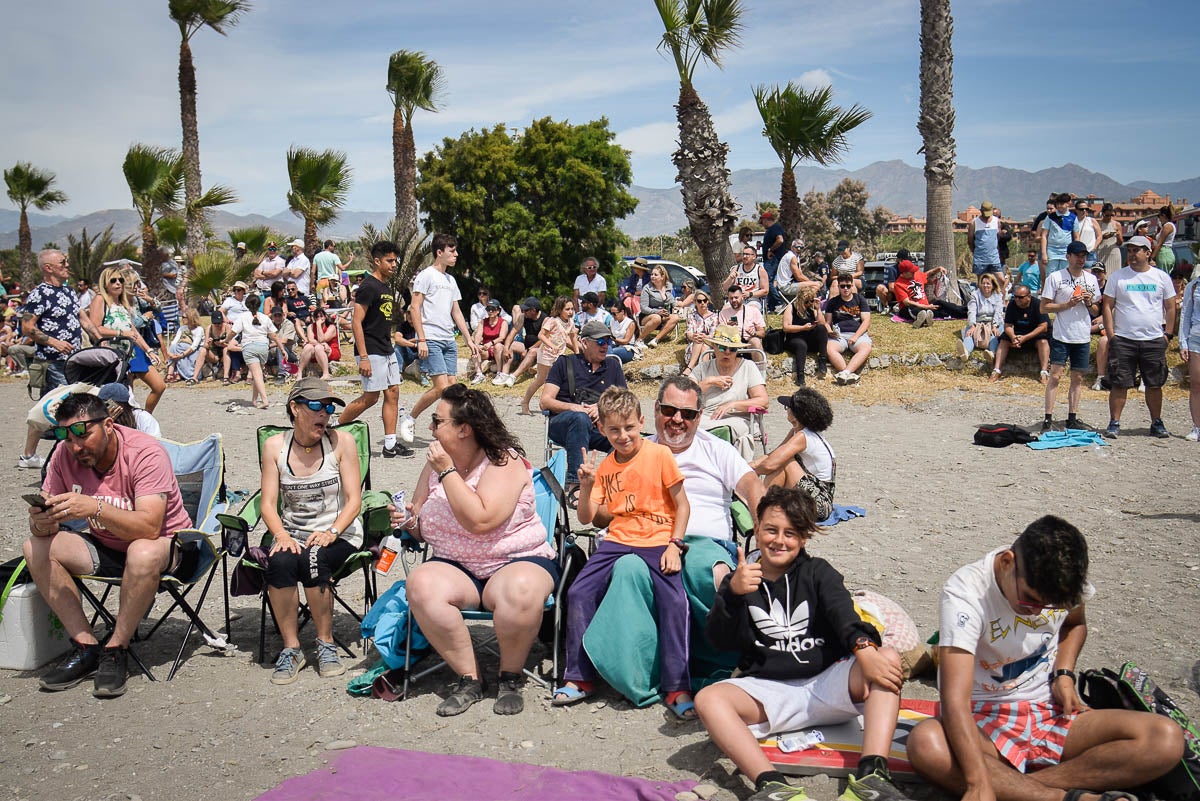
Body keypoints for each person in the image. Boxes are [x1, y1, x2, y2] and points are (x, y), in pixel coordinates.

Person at [907, 516, 1184, 801]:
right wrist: (978, 782)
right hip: (984, 718)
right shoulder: (966, 594)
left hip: (1050, 711)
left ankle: (1019, 789)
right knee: (927, 742)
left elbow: (1075, 624)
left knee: (1165, 737)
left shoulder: (1061, 583)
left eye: (1051, 606)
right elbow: (955, 703)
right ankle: (1065, 798)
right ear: (1006, 562)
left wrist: (1063, 674)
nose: (1039, 613)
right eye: (1030, 601)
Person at [695, 486, 913, 801]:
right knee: (708, 699)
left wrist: (864, 648)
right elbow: (718, 640)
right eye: (771, 530)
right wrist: (732, 595)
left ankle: (872, 777)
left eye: (791, 533)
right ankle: (772, 785)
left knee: (887, 657)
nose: (779, 540)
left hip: (827, 683)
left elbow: (843, 613)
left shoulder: (817, 572)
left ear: (803, 539)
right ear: (757, 530)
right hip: (769, 691)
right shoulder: (741, 579)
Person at [398, 383, 558, 716]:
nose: (431, 428)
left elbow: (481, 521)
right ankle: (469, 678)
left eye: (437, 421)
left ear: (464, 429)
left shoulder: (503, 461)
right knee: (421, 585)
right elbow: (420, 516)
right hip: (457, 566)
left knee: (520, 589)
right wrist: (408, 520)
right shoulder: (435, 463)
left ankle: (510, 676)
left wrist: (447, 472)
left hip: (514, 560)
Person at [23, 392, 192, 698]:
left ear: (109, 425)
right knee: (35, 546)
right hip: (107, 546)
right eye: (67, 437)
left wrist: (94, 508)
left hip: (166, 548)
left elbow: (150, 527)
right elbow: (43, 525)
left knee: (141, 551)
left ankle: (116, 648)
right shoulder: (64, 454)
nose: (76, 447)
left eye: (83, 436)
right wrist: (41, 520)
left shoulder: (145, 453)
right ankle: (86, 645)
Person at [556, 387, 693, 717]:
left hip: (660, 538)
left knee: (675, 602)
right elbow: (587, 518)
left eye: (629, 427)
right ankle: (579, 677)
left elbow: (683, 505)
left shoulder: (659, 455)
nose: (623, 436)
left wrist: (675, 545)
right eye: (614, 430)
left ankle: (677, 686)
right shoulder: (604, 468)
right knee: (578, 592)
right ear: (601, 429)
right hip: (617, 540)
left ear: (641, 422)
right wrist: (587, 485)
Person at [259, 379, 362, 684]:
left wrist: (333, 530)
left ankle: (326, 643)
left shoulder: (341, 443)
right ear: (295, 408)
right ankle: (292, 648)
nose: (325, 414)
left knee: (314, 557)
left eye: (329, 408)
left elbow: (354, 500)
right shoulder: (275, 447)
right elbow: (267, 504)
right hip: (293, 532)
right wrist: (281, 535)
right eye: (316, 406)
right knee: (280, 562)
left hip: (339, 532)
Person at [335, 240, 414, 458]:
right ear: (377, 261)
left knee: (393, 393)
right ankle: (333, 425)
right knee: (370, 397)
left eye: (395, 260)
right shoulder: (368, 287)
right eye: (389, 260)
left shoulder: (385, 287)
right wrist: (363, 357)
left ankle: (390, 445)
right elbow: (356, 322)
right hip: (370, 350)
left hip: (386, 348)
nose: (393, 264)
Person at [1101, 234, 1176, 439]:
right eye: (1130, 250)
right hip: (1124, 339)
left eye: (1137, 250)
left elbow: (1170, 307)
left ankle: (1156, 422)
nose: (1132, 254)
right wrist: (1111, 334)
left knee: (1154, 383)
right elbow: (1107, 305)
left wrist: (1167, 334)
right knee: (1119, 383)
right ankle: (1114, 422)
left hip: (1153, 339)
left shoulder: (1161, 277)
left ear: (1148, 252)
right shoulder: (1118, 277)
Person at [404, 233, 477, 436]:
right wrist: (422, 339)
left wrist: (468, 339)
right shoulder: (426, 275)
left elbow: (456, 311)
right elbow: (414, 307)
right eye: (452, 251)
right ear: (439, 252)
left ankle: (448, 428)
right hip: (432, 337)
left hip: (448, 339)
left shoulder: (450, 280)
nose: (456, 254)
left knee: (453, 388)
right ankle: (410, 418)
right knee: (441, 388)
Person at [540, 321, 628, 489]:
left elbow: (625, 401)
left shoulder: (613, 366)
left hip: (599, 427)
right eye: (600, 342)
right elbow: (545, 401)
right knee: (579, 418)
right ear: (584, 342)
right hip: (564, 425)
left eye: (608, 341)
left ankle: (609, 482)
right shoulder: (565, 363)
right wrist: (575, 408)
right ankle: (575, 484)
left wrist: (601, 407)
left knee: (628, 438)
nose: (605, 346)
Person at [1041, 241, 1103, 432]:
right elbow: (1044, 307)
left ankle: (1072, 417)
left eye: (1083, 255)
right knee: (1056, 376)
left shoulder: (1091, 279)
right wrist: (1067, 305)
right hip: (1061, 335)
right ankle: (1048, 418)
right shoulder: (1055, 277)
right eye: (1077, 255)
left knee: (1077, 378)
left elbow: (1095, 309)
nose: (1081, 259)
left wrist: (1088, 301)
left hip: (1082, 335)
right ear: (1068, 256)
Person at [88, 266, 167, 413]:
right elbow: (95, 328)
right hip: (111, 357)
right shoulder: (100, 300)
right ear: (105, 284)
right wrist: (121, 333)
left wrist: (149, 351)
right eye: (113, 280)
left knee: (147, 389)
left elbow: (133, 331)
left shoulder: (123, 303)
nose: (118, 283)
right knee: (121, 397)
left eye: (120, 280)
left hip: (129, 353)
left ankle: (142, 419)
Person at [751, 389, 836, 521]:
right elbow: (774, 455)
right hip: (814, 494)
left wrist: (747, 474)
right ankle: (761, 504)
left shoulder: (803, 436)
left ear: (797, 414)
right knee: (781, 459)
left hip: (819, 504)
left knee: (784, 462)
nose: (786, 410)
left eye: (788, 407)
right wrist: (751, 464)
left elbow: (771, 464)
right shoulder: (797, 432)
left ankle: (760, 505)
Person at [691, 325, 768, 460]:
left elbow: (763, 401)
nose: (727, 352)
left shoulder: (748, 367)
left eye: (732, 349)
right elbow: (685, 395)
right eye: (722, 347)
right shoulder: (703, 368)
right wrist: (709, 382)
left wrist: (732, 405)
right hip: (706, 416)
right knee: (687, 426)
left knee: (726, 431)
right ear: (714, 347)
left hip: (738, 418)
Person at [22, 249, 83, 404]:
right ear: (48, 268)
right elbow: (27, 327)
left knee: (57, 407)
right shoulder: (40, 294)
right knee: (64, 404)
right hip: (53, 362)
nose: (67, 265)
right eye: (63, 262)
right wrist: (55, 343)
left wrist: (101, 339)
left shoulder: (69, 291)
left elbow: (84, 320)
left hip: (73, 359)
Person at [521, 296, 577, 415]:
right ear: (560, 309)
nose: (570, 312)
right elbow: (541, 335)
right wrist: (551, 345)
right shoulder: (553, 321)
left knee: (559, 381)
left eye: (572, 309)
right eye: (567, 309)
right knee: (540, 380)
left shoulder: (570, 322)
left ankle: (553, 404)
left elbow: (573, 337)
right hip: (547, 354)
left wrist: (577, 353)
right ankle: (525, 402)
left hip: (559, 355)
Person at [991, 286, 1051, 383]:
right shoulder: (1012, 304)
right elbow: (1008, 325)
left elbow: (1043, 326)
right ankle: (996, 370)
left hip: (1034, 334)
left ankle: (1044, 372)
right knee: (1004, 340)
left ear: (1029, 297)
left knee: (1043, 341)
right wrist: (1013, 337)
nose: (1017, 299)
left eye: (1020, 297)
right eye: (1015, 297)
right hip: (1019, 333)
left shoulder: (1037, 304)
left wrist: (1025, 338)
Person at [232, 293, 281, 409]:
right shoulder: (265, 317)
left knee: (257, 374)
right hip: (264, 347)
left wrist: (226, 339)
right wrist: (282, 349)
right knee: (256, 374)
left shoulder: (243, 317)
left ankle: (264, 400)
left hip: (249, 347)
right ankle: (254, 400)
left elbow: (233, 332)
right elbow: (274, 335)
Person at [824, 275, 874, 384]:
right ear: (838, 287)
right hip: (839, 334)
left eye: (848, 286)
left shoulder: (860, 299)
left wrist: (855, 337)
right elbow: (827, 323)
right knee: (829, 348)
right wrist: (829, 332)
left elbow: (866, 321)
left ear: (852, 286)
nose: (845, 288)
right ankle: (847, 374)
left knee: (866, 348)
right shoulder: (832, 302)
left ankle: (845, 373)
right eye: (842, 286)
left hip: (858, 334)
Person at [781, 285, 827, 385]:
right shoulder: (791, 307)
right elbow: (786, 327)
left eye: (811, 301)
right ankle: (800, 376)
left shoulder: (811, 309)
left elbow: (822, 324)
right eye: (806, 302)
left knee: (822, 328)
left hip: (809, 338)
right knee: (801, 345)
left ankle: (823, 359)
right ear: (800, 299)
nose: (808, 304)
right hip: (795, 338)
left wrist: (818, 309)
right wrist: (802, 328)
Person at [496, 296, 544, 388]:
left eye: (526, 310)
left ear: (533, 310)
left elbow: (543, 340)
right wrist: (506, 348)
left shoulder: (545, 319)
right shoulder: (524, 317)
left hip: (541, 349)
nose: (523, 312)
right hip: (526, 347)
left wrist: (530, 349)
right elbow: (513, 332)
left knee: (532, 352)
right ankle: (504, 374)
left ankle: (513, 376)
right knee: (511, 344)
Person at [958, 272, 1004, 362]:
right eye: (983, 283)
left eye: (988, 283)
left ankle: (992, 353)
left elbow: (998, 312)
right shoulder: (975, 295)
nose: (985, 286)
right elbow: (972, 311)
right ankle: (965, 352)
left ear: (993, 285)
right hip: (978, 322)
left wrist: (994, 326)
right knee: (969, 335)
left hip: (993, 322)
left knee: (994, 336)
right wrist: (972, 326)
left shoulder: (998, 296)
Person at [637, 265, 682, 350]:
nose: (652, 276)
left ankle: (655, 340)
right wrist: (657, 311)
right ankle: (639, 340)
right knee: (656, 318)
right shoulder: (647, 288)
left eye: (655, 275)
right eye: (652, 274)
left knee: (675, 317)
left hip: (663, 315)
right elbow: (643, 308)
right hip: (647, 316)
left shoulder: (668, 286)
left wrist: (676, 307)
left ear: (662, 277)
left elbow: (671, 300)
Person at [717, 283, 766, 360]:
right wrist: (727, 327)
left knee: (755, 341)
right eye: (731, 298)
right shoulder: (723, 312)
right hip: (730, 341)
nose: (734, 300)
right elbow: (718, 334)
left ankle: (760, 370)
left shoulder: (753, 311)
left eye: (736, 298)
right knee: (722, 343)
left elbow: (762, 333)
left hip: (748, 341)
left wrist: (754, 333)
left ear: (742, 297)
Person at [1039, 193, 1078, 285]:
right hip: (1052, 250)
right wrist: (1044, 253)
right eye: (1058, 203)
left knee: (1066, 275)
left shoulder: (1073, 218)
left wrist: (1075, 253)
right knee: (1050, 276)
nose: (1059, 206)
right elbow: (1044, 235)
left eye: (1062, 203)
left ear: (1068, 203)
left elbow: (1076, 237)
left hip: (1066, 251)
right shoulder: (1050, 217)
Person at [1180, 268, 1200, 441]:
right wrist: (1182, 342)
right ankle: (1197, 427)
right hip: (1196, 338)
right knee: (1196, 385)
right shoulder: (1193, 286)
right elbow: (1185, 314)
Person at [470, 299, 509, 385]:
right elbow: (478, 335)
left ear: (498, 311)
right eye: (488, 309)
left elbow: (502, 337)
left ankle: (499, 372)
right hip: (486, 349)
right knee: (475, 348)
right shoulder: (483, 321)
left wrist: (491, 343)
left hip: (497, 348)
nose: (490, 311)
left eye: (493, 309)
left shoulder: (503, 322)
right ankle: (479, 374)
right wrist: (476, 345)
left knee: (498, 346)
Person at [682, 289, 719, 374]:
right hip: (694, 345)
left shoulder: (714, 317)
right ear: (695, 303)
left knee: (704, 345)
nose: (702, 303)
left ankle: (690, 368)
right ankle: (703, 373)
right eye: (699, 301)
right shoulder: (691, 316)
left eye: (704, 300)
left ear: (708, 302)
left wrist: (705, 337)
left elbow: (713, 335)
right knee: (699, 342)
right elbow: (689, 332)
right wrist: (694, 336)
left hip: (709, 343)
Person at [723, 245, 770, 311]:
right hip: (736, 299)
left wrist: (750, 294)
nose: (744, 256)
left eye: (747, 254)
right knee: (726, 309)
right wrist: (730, 278)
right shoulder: (736, 268)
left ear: (754, 256)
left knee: (749, 310)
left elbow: (765, 291)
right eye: (743, 254)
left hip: (753, 300)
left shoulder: (760, 270)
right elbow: (725, 288)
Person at [166, 308, 206, 384]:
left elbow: (194, 347)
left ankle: (177, 373)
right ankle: (170, 373)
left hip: (194, 352)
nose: (182, 318)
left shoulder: (199, 330)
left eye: (184, 317)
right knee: (174, 347)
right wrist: (170, 354)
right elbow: (174, 342)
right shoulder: (182, 328)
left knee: (178, 348)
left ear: (190, 318)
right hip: (180, 350)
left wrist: (181, 355)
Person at [299, 305, 340, 380]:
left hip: (331, 350)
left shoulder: (331, 327)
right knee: (308, 347)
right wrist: (322, 344)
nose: (319, 318)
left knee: (318, 347)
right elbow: (311, 340)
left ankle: (325, 373)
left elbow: (322, 339)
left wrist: (318, 325)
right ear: (314, 318)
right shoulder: (310, 327)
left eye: (321, 316)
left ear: (325, 317)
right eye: (317, 317)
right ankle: (299, 373)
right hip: (317, 349)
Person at [970, 201, 1002, 277]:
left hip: (994, 259)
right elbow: (970, 240)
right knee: (982, 281)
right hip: (980, 259)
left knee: (1001, 280)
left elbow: (998, 237)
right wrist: (976, 252)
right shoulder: (974, 222)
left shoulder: (996, 221)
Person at [1096, 203, 1124, 274]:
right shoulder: (1098, 224)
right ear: (1103, 214)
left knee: (1115, 274)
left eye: (1111, 215)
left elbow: (1120, 243)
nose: (1109, 217)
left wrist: (1118, 236)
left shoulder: (1117, 224)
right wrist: (1103, 237)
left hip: (1113, 252)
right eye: (1107, 215)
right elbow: (1095, 240)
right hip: (1101, 251)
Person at [1073, 199, 1102, 267]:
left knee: (1090, 273)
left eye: (1086, 209)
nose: (1084, 211)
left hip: (1090, 252)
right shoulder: (1073, 221)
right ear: (1076, 210)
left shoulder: (1091, 220)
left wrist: (1094, 247)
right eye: (1081, 209)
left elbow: (1099, 236)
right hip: (1077, 253)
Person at [1151, 205, 1177, 274]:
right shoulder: (1166, 226)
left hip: (1164, 253)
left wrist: (1152, 257)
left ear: (1164, 215)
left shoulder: (1167, 226)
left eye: (1159, 216)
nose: (1159, 218)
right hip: (1165, 252)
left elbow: (1160, 243)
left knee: (1163, 276)